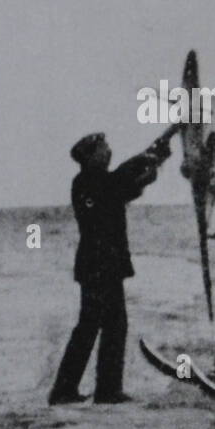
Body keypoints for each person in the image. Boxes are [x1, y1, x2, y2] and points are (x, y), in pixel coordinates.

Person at [49, 128, 176, 405]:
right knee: (102, 326)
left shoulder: (93, 182)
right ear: (90, 156)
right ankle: (87, 390)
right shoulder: (88, 183)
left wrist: (148, 164)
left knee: (105, 326)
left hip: (101, 265)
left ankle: (91, 389)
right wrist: (147, 161)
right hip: (100, 265)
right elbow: (119, 185)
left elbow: (122, 185)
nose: (108, 152)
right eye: (103, 148)